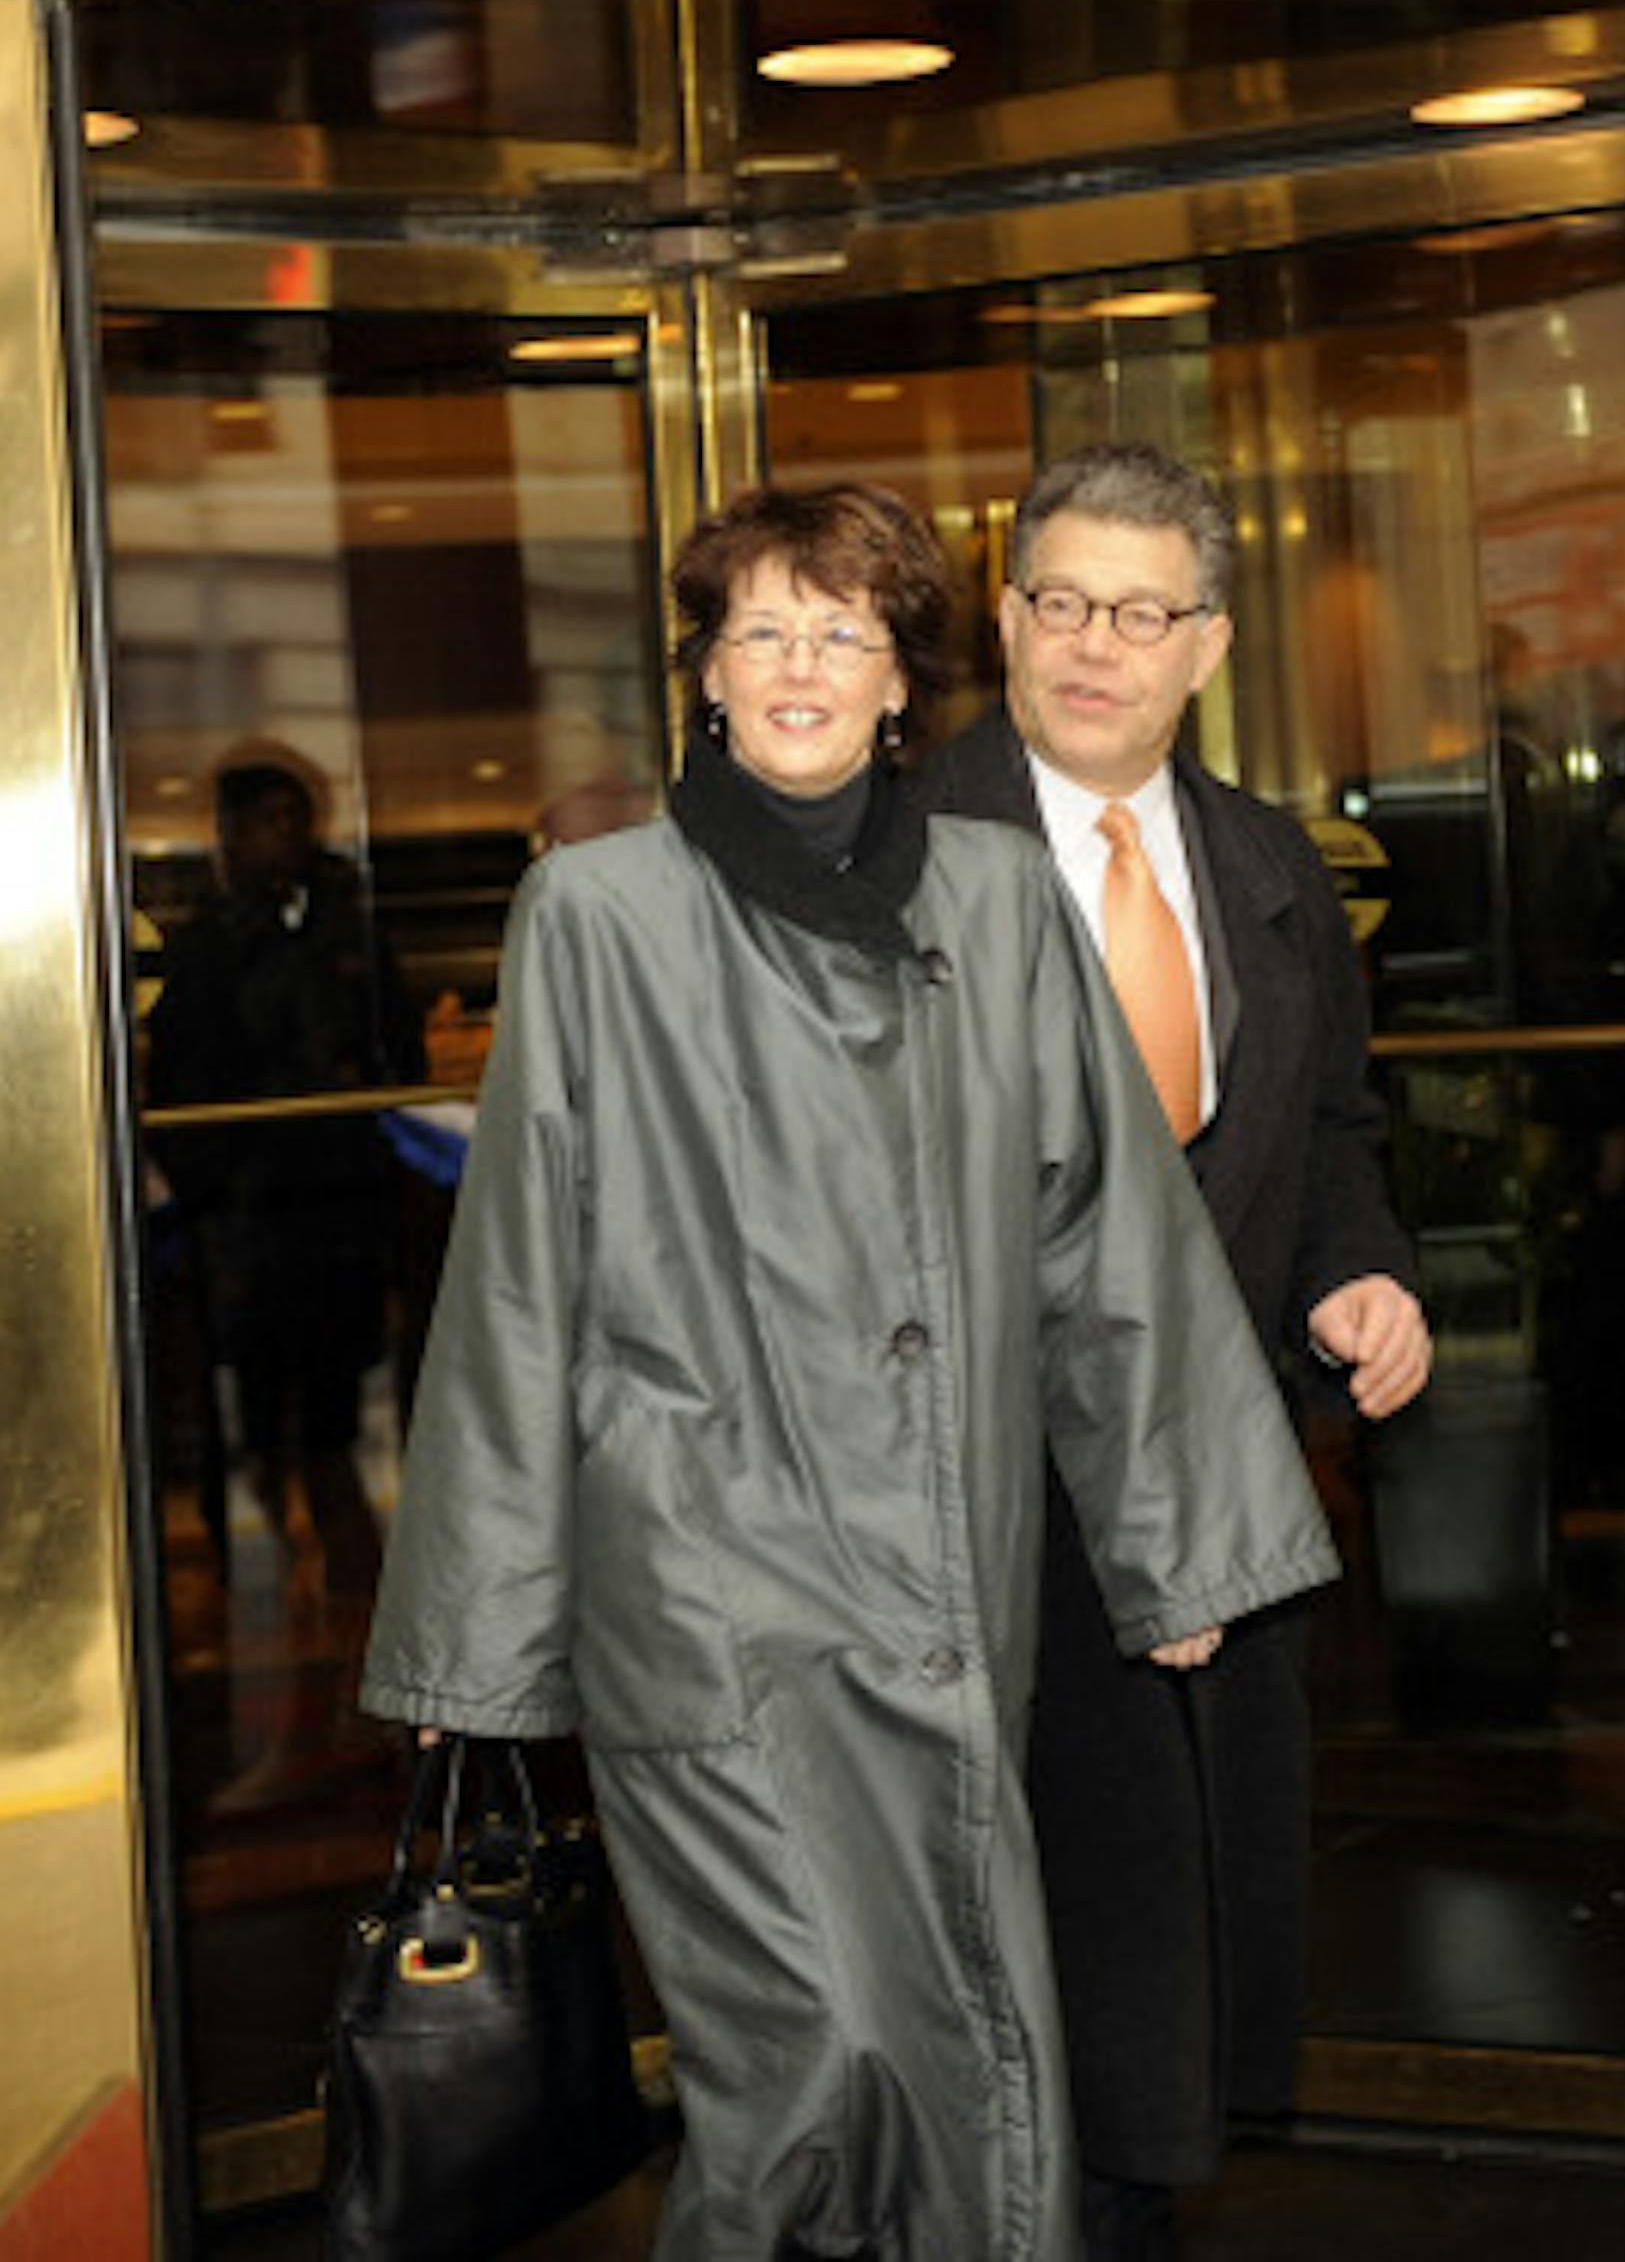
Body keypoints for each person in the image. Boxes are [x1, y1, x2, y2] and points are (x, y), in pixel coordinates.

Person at [359, 483, 1338, 2262]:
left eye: (843, 635)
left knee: (972, 2037)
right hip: (703, 1592)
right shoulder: (596, 914)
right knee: (809, 2054)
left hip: (954, 1588)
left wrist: (1176, 1539)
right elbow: (519, 1277)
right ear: (705, 679)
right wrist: (478, 1642)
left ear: (902, 685)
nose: (799, 668)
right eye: (760, 634)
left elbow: (1100, 1225)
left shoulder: (997, 896)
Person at [920, 441, 1432, 2261]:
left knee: (1165, 1959)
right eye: (1059, 602)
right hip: (984, 1517)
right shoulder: (902, 859)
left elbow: (1336, 1139)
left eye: (1139, 613)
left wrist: (1360, 1279)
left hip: (1209, 1489)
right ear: (1004, 618)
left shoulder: (1268, 862)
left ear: (1206, 644)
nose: (1092, 646)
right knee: (1013, 1955)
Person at [148, 753, 426, 1765]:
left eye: (295, 820)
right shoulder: (213, 945)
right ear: (228, 836)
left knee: (337, 1430)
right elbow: (185, 1088)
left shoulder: (347, 926)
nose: (286, 840)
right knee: (256, 1434)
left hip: (338, 1216)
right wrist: (217, 1198)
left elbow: (395, 1052)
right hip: (253, 1226)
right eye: (268, 823)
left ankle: (351, 1628)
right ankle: (258, 1623)